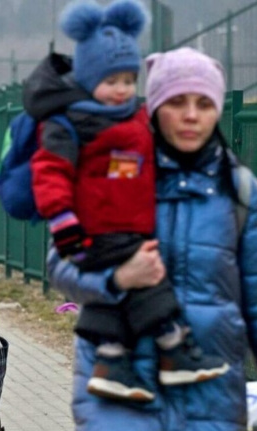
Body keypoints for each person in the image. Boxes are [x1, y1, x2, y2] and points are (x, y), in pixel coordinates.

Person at [49, 47, 257, 431]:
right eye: (177, 102)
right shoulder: (110, 171)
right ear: (155, 106)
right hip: (123, 389)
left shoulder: (238, 191)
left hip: (203, 394)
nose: (190, 116)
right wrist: (118, 280)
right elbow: (60, 263)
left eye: (203, 104)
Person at [30, 0, 229, 403]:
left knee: (134, 290)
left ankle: (114, 361)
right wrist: (65, 219)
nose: (121, 89)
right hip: (99, 228)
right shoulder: (74, 124)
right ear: (88, 79)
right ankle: (171, 351)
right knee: (148, 282)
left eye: (128, 79)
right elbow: (50, 174)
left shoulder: (139, 121)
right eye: (111, 80)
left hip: (131, 227)